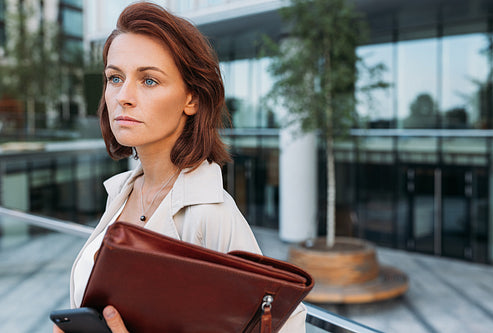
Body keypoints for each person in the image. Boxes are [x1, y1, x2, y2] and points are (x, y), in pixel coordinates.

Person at [53, 2, 306, 332]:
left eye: (149, 81)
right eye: (115, 78)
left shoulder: (210, 215)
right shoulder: (122, 192)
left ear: (192, 99)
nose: (123, 96)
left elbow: (286, 325)